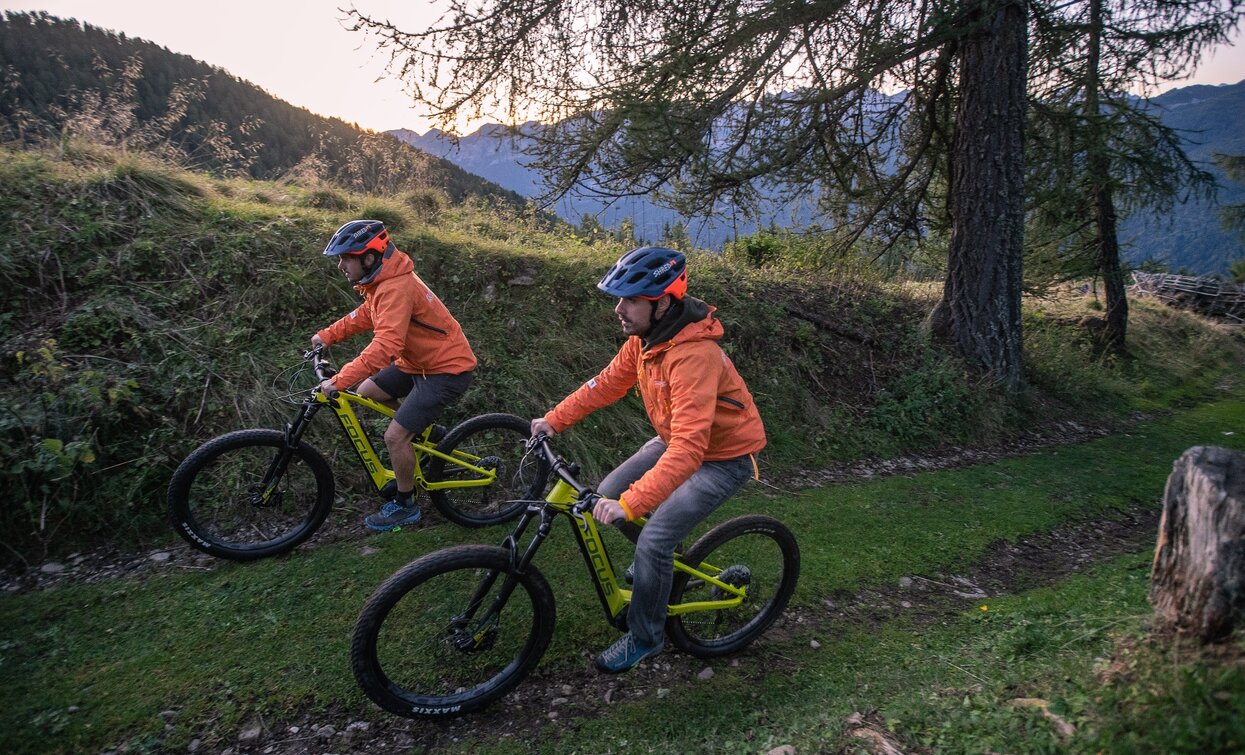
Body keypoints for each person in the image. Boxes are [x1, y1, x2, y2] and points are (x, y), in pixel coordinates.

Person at [530, 246, 766, 673]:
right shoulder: (646, 342)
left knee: (652, 536)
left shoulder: (695, 355)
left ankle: (645, 636)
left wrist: (632, 503)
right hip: (676, 441)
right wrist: (553, 421)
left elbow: (691, 449)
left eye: (631, 300)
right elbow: (603, 385)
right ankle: (661, 569)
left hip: (722, 457)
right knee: (606, 494)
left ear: (663, 303)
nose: (619, 309)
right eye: (619, 298)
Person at [311, 219, 477, 531]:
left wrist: (338, 380)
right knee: (369, 391)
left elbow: (386, 345)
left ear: (369, 257)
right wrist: (327, 336)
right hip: (418, 362)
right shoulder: (382, 282)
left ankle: (406, 504)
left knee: (394, 436)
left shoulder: (395, 287)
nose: (340, 266)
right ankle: (424, 433)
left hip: (445, 369)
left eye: (346, 258)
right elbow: (366, 315)